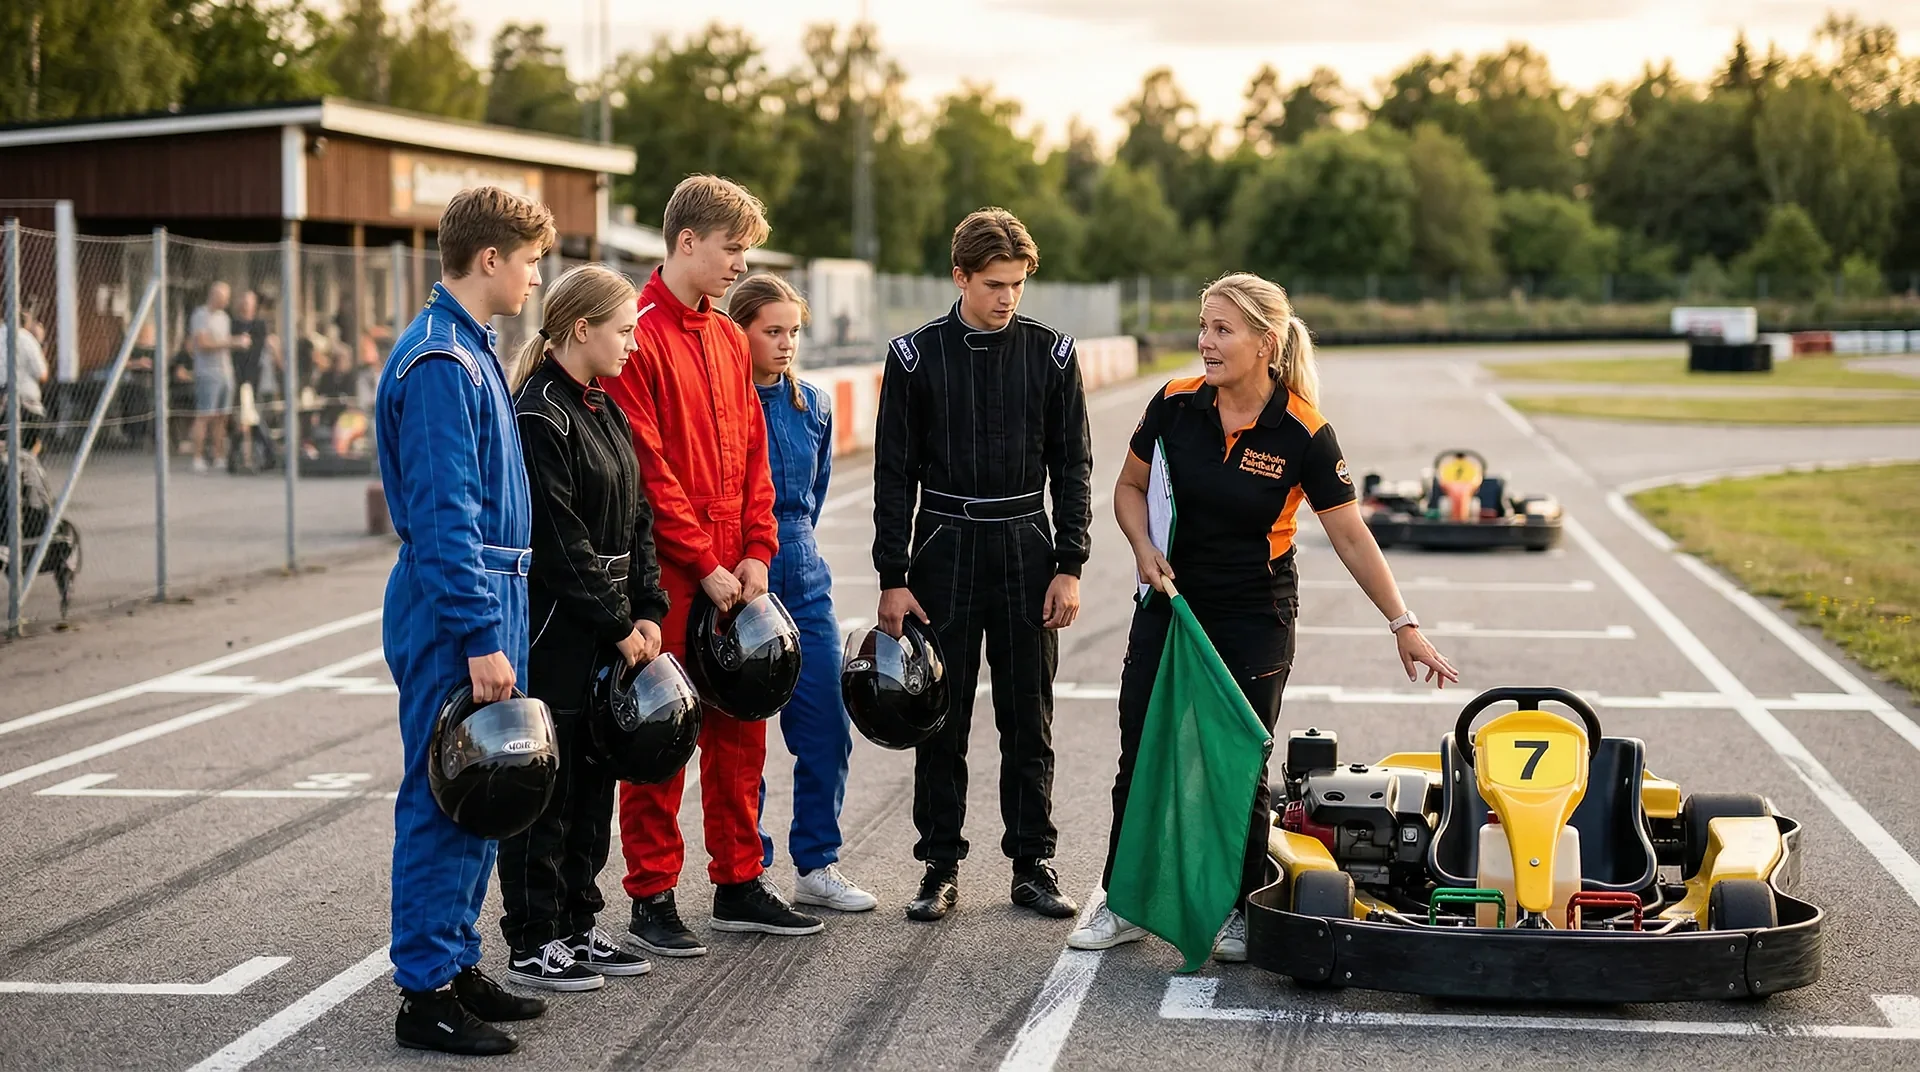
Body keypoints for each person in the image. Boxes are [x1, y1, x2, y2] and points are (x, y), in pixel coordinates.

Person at [1066, 272, 1459, 961]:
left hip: (1256, 615)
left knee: (1241, 763)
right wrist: (1142, 546)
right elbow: (1128, 489)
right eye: (1204, 327)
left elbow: (1351, 535)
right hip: (1171, 606)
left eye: (1223, 330)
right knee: (1143, 754)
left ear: (1265, 343)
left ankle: (1239, 909)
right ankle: (1122, 901)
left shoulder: (1304, 430)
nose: (1205, 343)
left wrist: (1404, 623)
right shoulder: (1174, 403)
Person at [601, 175, 823, 957]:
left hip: (738, 564)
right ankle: (652, 897)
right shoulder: (638, 333)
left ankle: (738, 881)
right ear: (687, 241)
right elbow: (646, 468)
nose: (740, 264)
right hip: (670, 571)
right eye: (733, 249)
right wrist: (704, 562)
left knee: (742, 732)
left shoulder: (731, 339)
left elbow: (757, 456)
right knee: (662, 730)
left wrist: (758, 550)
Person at [872, 208, 1093, 924]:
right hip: (943, 545)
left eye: (1019, 285)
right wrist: (893, 576)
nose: (1007, 298)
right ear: (960, 276)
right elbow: (892, 474)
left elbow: (1075, 466)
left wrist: (1071, 562)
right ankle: (939, 867)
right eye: (994, 284)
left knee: (1029, 717)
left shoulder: (1054, 354)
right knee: (942, 717)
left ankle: (1033, 864)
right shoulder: (913, 356)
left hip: (1028, 546)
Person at [375, 185, 554, 1057]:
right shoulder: (442, 361)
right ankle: (424, 992)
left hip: (493, 591)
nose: (533, 277)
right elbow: (446, 515)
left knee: (489, 787)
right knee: (445, 795)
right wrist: (481, 633)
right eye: (527, 261)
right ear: (490, 258)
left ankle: (456, 960)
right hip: (461, 598)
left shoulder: (473, 347)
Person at [497, 264, 666, 992]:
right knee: (551, 789)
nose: (633, 343)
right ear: (582, 329)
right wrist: (617, 620)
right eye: (625, 330)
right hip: (560, 628)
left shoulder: (604, 407)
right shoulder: (541, 414)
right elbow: (560, 543)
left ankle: (579, 922)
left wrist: (650, 607)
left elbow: (640, 515)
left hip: (613, 623)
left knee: (596, 779)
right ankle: (533, 938)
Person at [729, 273, 876, 914]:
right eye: (772, 331)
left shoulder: (812, 404)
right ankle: (748, 867)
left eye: (794, 331)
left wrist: (790, 551)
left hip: (805, 576)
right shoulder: (724, 405)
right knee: (746, 742)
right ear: (741, 333)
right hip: (738, 581)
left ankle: (816, 862)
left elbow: (809, 499)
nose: (786, 343)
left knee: (825, 727)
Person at [187, 281, 245, 472]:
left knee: (222, 416)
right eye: (224, 298)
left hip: (225, 372)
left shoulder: (224, 318)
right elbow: (203, 343)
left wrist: (230, 343)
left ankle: (219, 456)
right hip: (207, 372)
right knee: (205, 415)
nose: (226, 302)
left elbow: (223, 343)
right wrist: (231, 342)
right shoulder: (201, 315)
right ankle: (197, 457)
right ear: (215, 296)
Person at [1, 308, 49, 452]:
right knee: (33, 443)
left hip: (2, 400)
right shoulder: (27, 339)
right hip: (26, 403)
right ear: (25, 323)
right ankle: (27, 466)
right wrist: (40, 344)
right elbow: (42, 375)